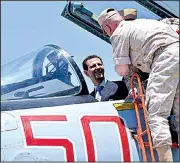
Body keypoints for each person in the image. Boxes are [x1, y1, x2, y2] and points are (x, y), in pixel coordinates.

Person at [98, 8, 179, 162]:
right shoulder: (147, 23)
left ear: (107, 28)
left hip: (164, 58)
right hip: (175, 55)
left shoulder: (118, 33)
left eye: (105, 32)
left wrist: (130, 67)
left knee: (156, 113)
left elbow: (122, 70)